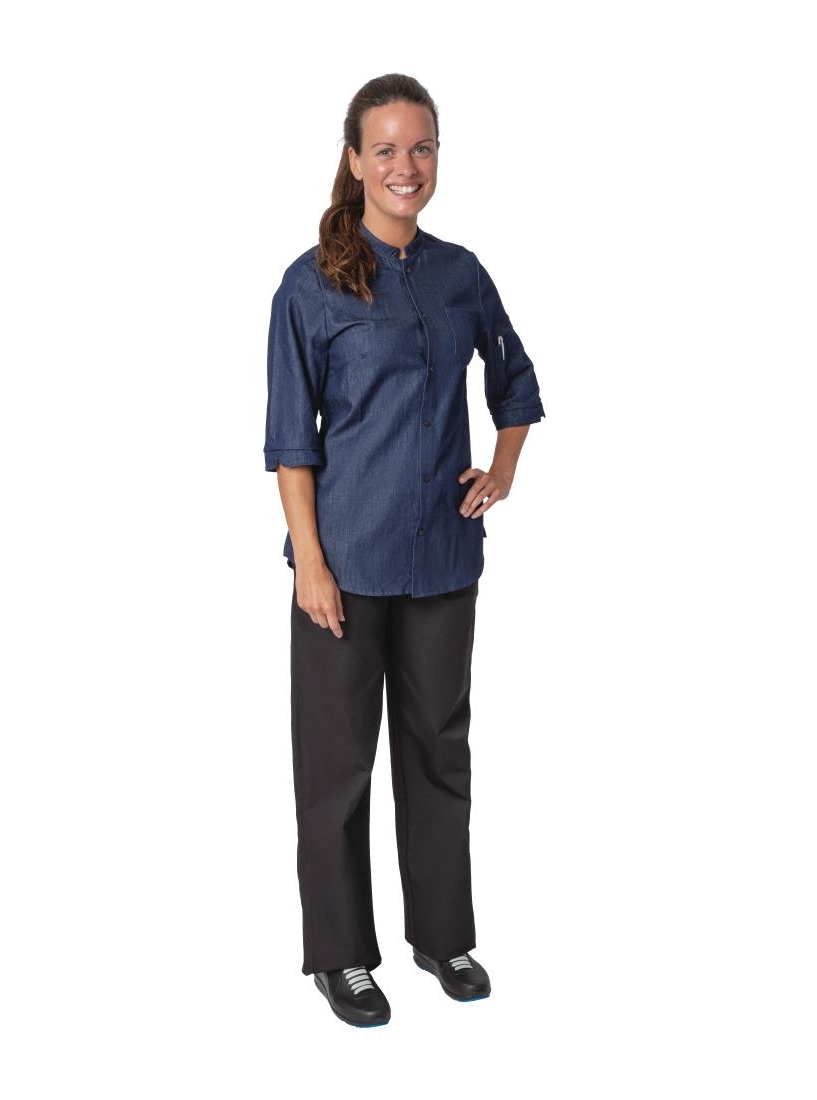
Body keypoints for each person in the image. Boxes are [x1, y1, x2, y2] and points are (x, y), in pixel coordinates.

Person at [263, 73, 545, 1028]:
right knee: (336, 768)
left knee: (437, 754)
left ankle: (443, 938)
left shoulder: (461, 273)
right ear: (354, 161)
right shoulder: (310, 284)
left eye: (420, 147)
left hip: (441, 562)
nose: (405, 166)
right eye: (385, 149)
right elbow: (290, 441)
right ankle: (340, 956)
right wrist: (309, 562)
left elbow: (515, 381)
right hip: (342, 566)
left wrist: (501, 469)